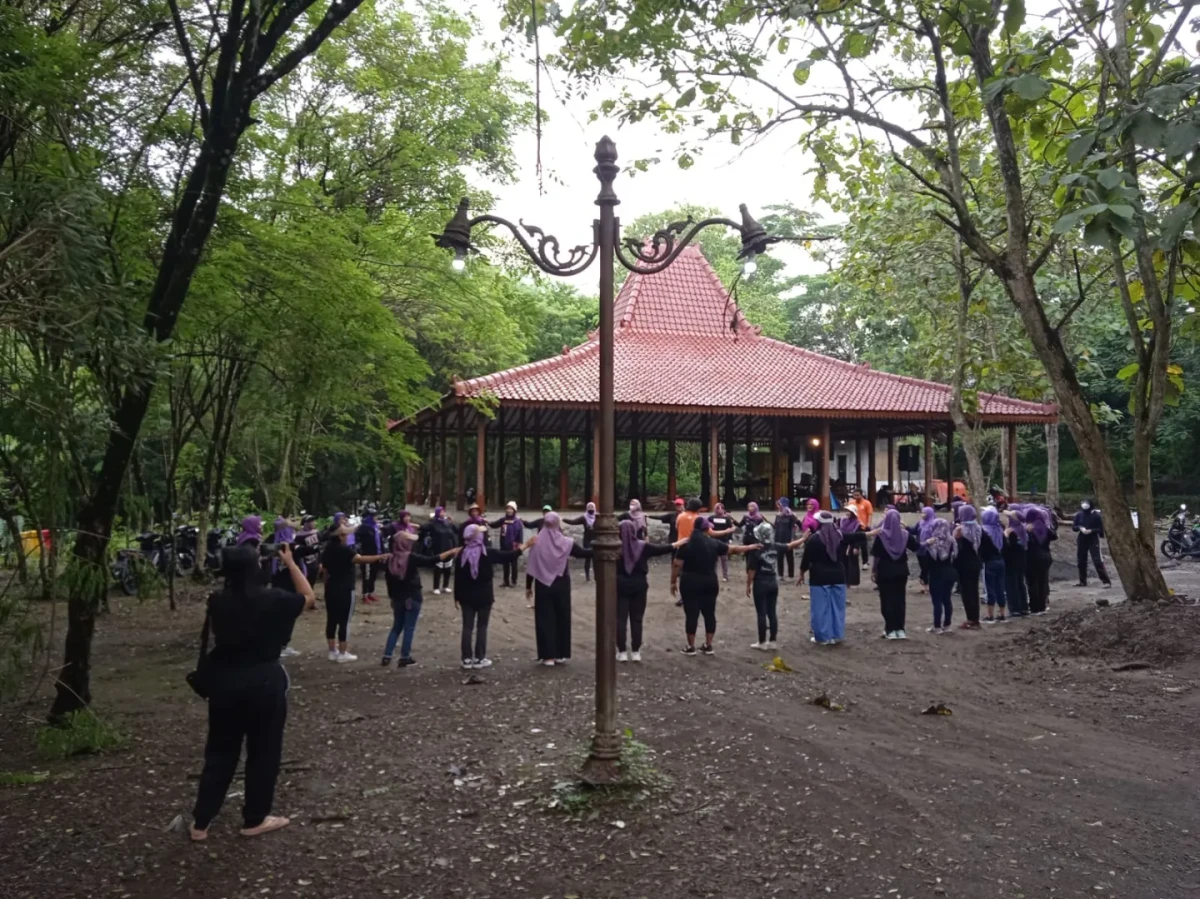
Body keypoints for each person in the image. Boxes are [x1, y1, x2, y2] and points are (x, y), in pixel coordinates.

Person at [189, 543, 315, 842]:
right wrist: (290, 562)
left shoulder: (217, 601)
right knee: (263, 751)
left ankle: (201, 822)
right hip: (265, 681)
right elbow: (309, 598)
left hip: (224, 683)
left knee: (220, 751)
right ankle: (254, 818)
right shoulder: (273, 599)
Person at [671, 518, 757, 655]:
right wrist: (749, 547)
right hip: (710, 581)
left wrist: (673, 582)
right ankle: (708, 645)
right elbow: (733, 549)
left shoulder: (686, 544)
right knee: (709, 613)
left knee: (691, 614)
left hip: (690, 582)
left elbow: (677, 564)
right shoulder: (714, 543)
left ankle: (691, 646)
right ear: (706, 529)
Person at [380, 511, 455, 667]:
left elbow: (388, 581)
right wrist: (450, 552)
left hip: (397, 597)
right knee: (409, 627)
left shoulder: (389, 559)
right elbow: (431, 560)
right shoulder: (411, 557)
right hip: (412, 596)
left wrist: (392, 598)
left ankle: (387, 655)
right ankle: (404, 656)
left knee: (396, 627)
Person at [451, 524, 523, 669]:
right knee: (482, 627)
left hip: (466, 597)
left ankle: (466, 659)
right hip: (484, 596)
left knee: (467, 627)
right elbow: (508, 556)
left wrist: (456, 597)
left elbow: (457, 578)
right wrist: (525, 546)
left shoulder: (461, 553)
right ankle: (479, 658)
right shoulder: (486, 553)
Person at [525, 513, 592, 666]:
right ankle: (561, 654)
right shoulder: (566, 542)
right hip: (562, 584)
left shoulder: (536, 542)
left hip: (542, 584)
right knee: (562, 617)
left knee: (544, 619)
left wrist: (528, 586)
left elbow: (532, 566)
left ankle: (548, 656)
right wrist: (599, 548)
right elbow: (582, 553)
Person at [319, 521, 389, 663]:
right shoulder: (345, 550)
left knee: (331, 620)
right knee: (344, 621)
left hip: (331, 588)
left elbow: (324, 571)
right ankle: (343, 652)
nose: (347, 537)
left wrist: (327, 586)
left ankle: (332, 651)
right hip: (345, 588)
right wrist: (379, 557)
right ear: (340, 536)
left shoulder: (327, 549)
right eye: (345, 534)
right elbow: (361, 559)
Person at [616, 519, 678, 661]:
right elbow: (661, 549)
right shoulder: (642, 546)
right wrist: (677, 543)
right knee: (637, 618)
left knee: (620, 619)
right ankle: (636, 652)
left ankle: (622, 652)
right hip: (639, 585)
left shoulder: (615, 548)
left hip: (620, 586)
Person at [745, 520, 806, 650]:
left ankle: (761, 642)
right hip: (773, 581)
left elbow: (751, 570)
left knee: (761, 613)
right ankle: (772, 641)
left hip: (760, 583)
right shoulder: (775, 546)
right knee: (772, 612)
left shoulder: (756, 549)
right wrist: (803, 538)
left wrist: (748, 584)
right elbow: (790, 545)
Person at [870, 508, 919, 639]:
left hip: (885, 570)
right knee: (900, 600)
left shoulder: (881, 535)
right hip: (902, 570)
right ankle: (900, 629)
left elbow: (877, 555)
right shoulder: (905, 534)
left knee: (887, 600)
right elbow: (915, 547)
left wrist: (874, 571)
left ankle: (890, 629)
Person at [801, 511, 848, 645]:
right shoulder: (840, 536)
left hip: (819, 577)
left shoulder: (815, 539)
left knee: (820, 608)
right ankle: (836, 635)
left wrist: (801, 573)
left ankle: (822, 636)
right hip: (839, 576)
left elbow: (806, 558)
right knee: (837, 607)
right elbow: (856, 536)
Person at [923, 518, 957, 633]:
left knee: (937, 600)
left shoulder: (932, 542)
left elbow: (926, 560)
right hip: (950, 572)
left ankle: (937, 626)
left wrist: (923, 576)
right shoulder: (952, 540)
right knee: (947, 599)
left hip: (936, 573)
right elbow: (956, 556)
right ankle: (947, 625)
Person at [954, 506, 984, 630]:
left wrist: (956, 538)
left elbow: (958, 550)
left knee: (967, 593)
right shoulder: (978, 528)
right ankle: (975, 619)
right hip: (976, 563)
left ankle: (971, 619)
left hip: (964, 566)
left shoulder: (961, 531)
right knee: (974, 591)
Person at [1024, 506, 1056, 616]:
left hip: (1033, 558)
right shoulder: (1045, 528)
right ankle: (1042, 606)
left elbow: (1028, 543)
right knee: (1043, 582)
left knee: (1033, 583)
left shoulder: (1030, 529)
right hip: (1046, 557)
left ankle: (1034, 607)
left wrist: (1027, 532)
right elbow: (1054, 535)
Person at [1072, 500, 1111, 588]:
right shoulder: (1079, 515)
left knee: (1097, 560)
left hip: (1093, 539)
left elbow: (1100, 529)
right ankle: (1082, 581)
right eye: (1083, 503)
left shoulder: (1096, 516)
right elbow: (1074, 527)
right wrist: (1080, 528)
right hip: (1082, 538)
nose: (1084, 505)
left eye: (1086, 503)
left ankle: (1106, 581)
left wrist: (1091, 530)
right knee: (1081, 560)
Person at [420, 507, 458, 595]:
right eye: (441, 512)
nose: (443, 513)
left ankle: (445, 586)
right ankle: (436, 587)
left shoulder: (448, 523)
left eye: (444, 511)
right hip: (438, 548)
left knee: (448, 568)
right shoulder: (433, 523)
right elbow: (424, 527)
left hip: (449, 547)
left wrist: (452, 521)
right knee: (438, 568)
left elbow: (457, 530)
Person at [979, 507, 1008, 623]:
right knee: (1000, 587)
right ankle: (1002, 613)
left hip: (988, 562)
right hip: (1001, 561)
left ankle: (990, 614)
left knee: (989, 588)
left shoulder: (984, 531)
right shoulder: (1000, 529)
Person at [489, 502, 525, 588]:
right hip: (504, 544)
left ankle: (514, 581)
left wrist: (519, 544)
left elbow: (520, 534)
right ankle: (506, 581)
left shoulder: (517, 521)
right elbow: (494, 525)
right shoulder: (503, 520)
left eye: (511, 509)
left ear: (514, 510)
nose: (509, 510)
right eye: (508, 508)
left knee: (513, 563)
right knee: (505, 563)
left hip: (513, 545)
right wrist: (487, 522)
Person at [1003, 509, 1030, 618]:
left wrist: (1005, 535)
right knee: (1020, 583)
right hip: (1021, 560)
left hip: (1011, 561)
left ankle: (1014, 608)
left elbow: (1007, 547)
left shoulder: (1012, 531)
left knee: (1011, 585)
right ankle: (1024, 607)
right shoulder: (1022, 528)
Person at [354, 506, 383, 604]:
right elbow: (357, 540)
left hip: (376, 554)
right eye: (373, 516)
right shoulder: (363, 528)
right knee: (366, 575)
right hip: (366, 555)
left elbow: (380, 541)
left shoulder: (375, 527)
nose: (376, 517)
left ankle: (371, 592)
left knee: (373, 575)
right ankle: (365, 594)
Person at [562, 502, 598, 582]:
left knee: (596, 559)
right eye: (589, 508)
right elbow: (573, 522)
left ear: (595, 508)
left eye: (592, 508)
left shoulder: (598, 517)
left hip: (596, 539)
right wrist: (563, 519)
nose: (591, 509)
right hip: (587, 540)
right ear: (586, 508)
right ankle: (587, 577)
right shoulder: (584, 518)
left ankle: (596, 577)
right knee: (587, 557)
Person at [912, 506, 937, 592]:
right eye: (922, 512)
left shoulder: (935, 524)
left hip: (931, 550)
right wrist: (905, 527)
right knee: (924, 568)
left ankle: (929, 585)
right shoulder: (920, 523)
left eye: (924, 513)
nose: (922, 514)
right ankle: (925, 585)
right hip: (921, 549)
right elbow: (914, 531)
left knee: (930, 568)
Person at [773, 497, 800, 578]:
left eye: (779, 504)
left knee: (789, 557)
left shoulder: (791, 515)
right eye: (778, 505)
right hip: (779, 538)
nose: (778, 506)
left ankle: (791, 575)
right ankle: (780, 574)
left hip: (788, 539)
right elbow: (775, 527)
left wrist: (793, 538)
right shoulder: (778, 515)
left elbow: (796, 526)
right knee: (779, 557)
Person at [839, 506, 866, 587]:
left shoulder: (858, 523)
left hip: (852, 545)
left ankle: (850, 581)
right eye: (846, 511)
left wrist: (856, 547)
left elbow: (859, 537)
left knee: (851, 563)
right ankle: (843, 579)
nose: (847, 513)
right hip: (842, 544)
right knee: (842, 562)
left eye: (849, 512)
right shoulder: (842, 521)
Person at [708, 502, 735, 581]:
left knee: (724, 558)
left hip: (724, 540)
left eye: (721, 508)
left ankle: (725, 576)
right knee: (714, 559)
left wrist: (730, 538)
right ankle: (713, 575)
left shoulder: (727, 518)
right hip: (713, 540)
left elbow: (730, 529)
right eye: (717, 508)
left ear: (724, 509)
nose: (720, 510)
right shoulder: (711, 518)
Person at [294, 515, 322, 588]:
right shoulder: (299, 536)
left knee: (313, 580)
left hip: (315, 561)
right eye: (310, 521)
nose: (312, 523)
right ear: (305, 524)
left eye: (313, 521)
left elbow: (319, 548)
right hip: (305, 563)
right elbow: (298, 551)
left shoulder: (317, 533)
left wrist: (320, 562)